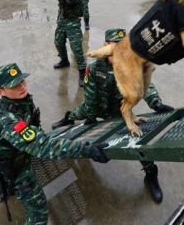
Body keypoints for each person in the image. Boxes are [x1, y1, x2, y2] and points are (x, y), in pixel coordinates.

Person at [52, 28, 174, 203]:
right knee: (79, 113)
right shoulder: (94, 68)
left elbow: (143, 86)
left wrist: (155, 102)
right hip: (96, 107)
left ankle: (150, 174)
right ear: (105, 46)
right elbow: (90, 98)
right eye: (113, 46)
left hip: (119, 112)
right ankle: (66, 118)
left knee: (139, 143)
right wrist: (91, 120)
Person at [0, 63, 109, 225]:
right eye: (14, 85)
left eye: (22, 81)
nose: (22, 87)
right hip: (18, 169)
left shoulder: (20, 101)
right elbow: (41, 146)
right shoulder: (6, 121)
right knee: (38, 216)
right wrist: (85, 149)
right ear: (0, 92)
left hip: (22, 153)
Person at [51, 0, 87, 87]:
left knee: (76, 49)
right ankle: (64, 61)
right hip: (61, 22)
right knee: (58, 43)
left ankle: (82, 72)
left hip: (73, 23)